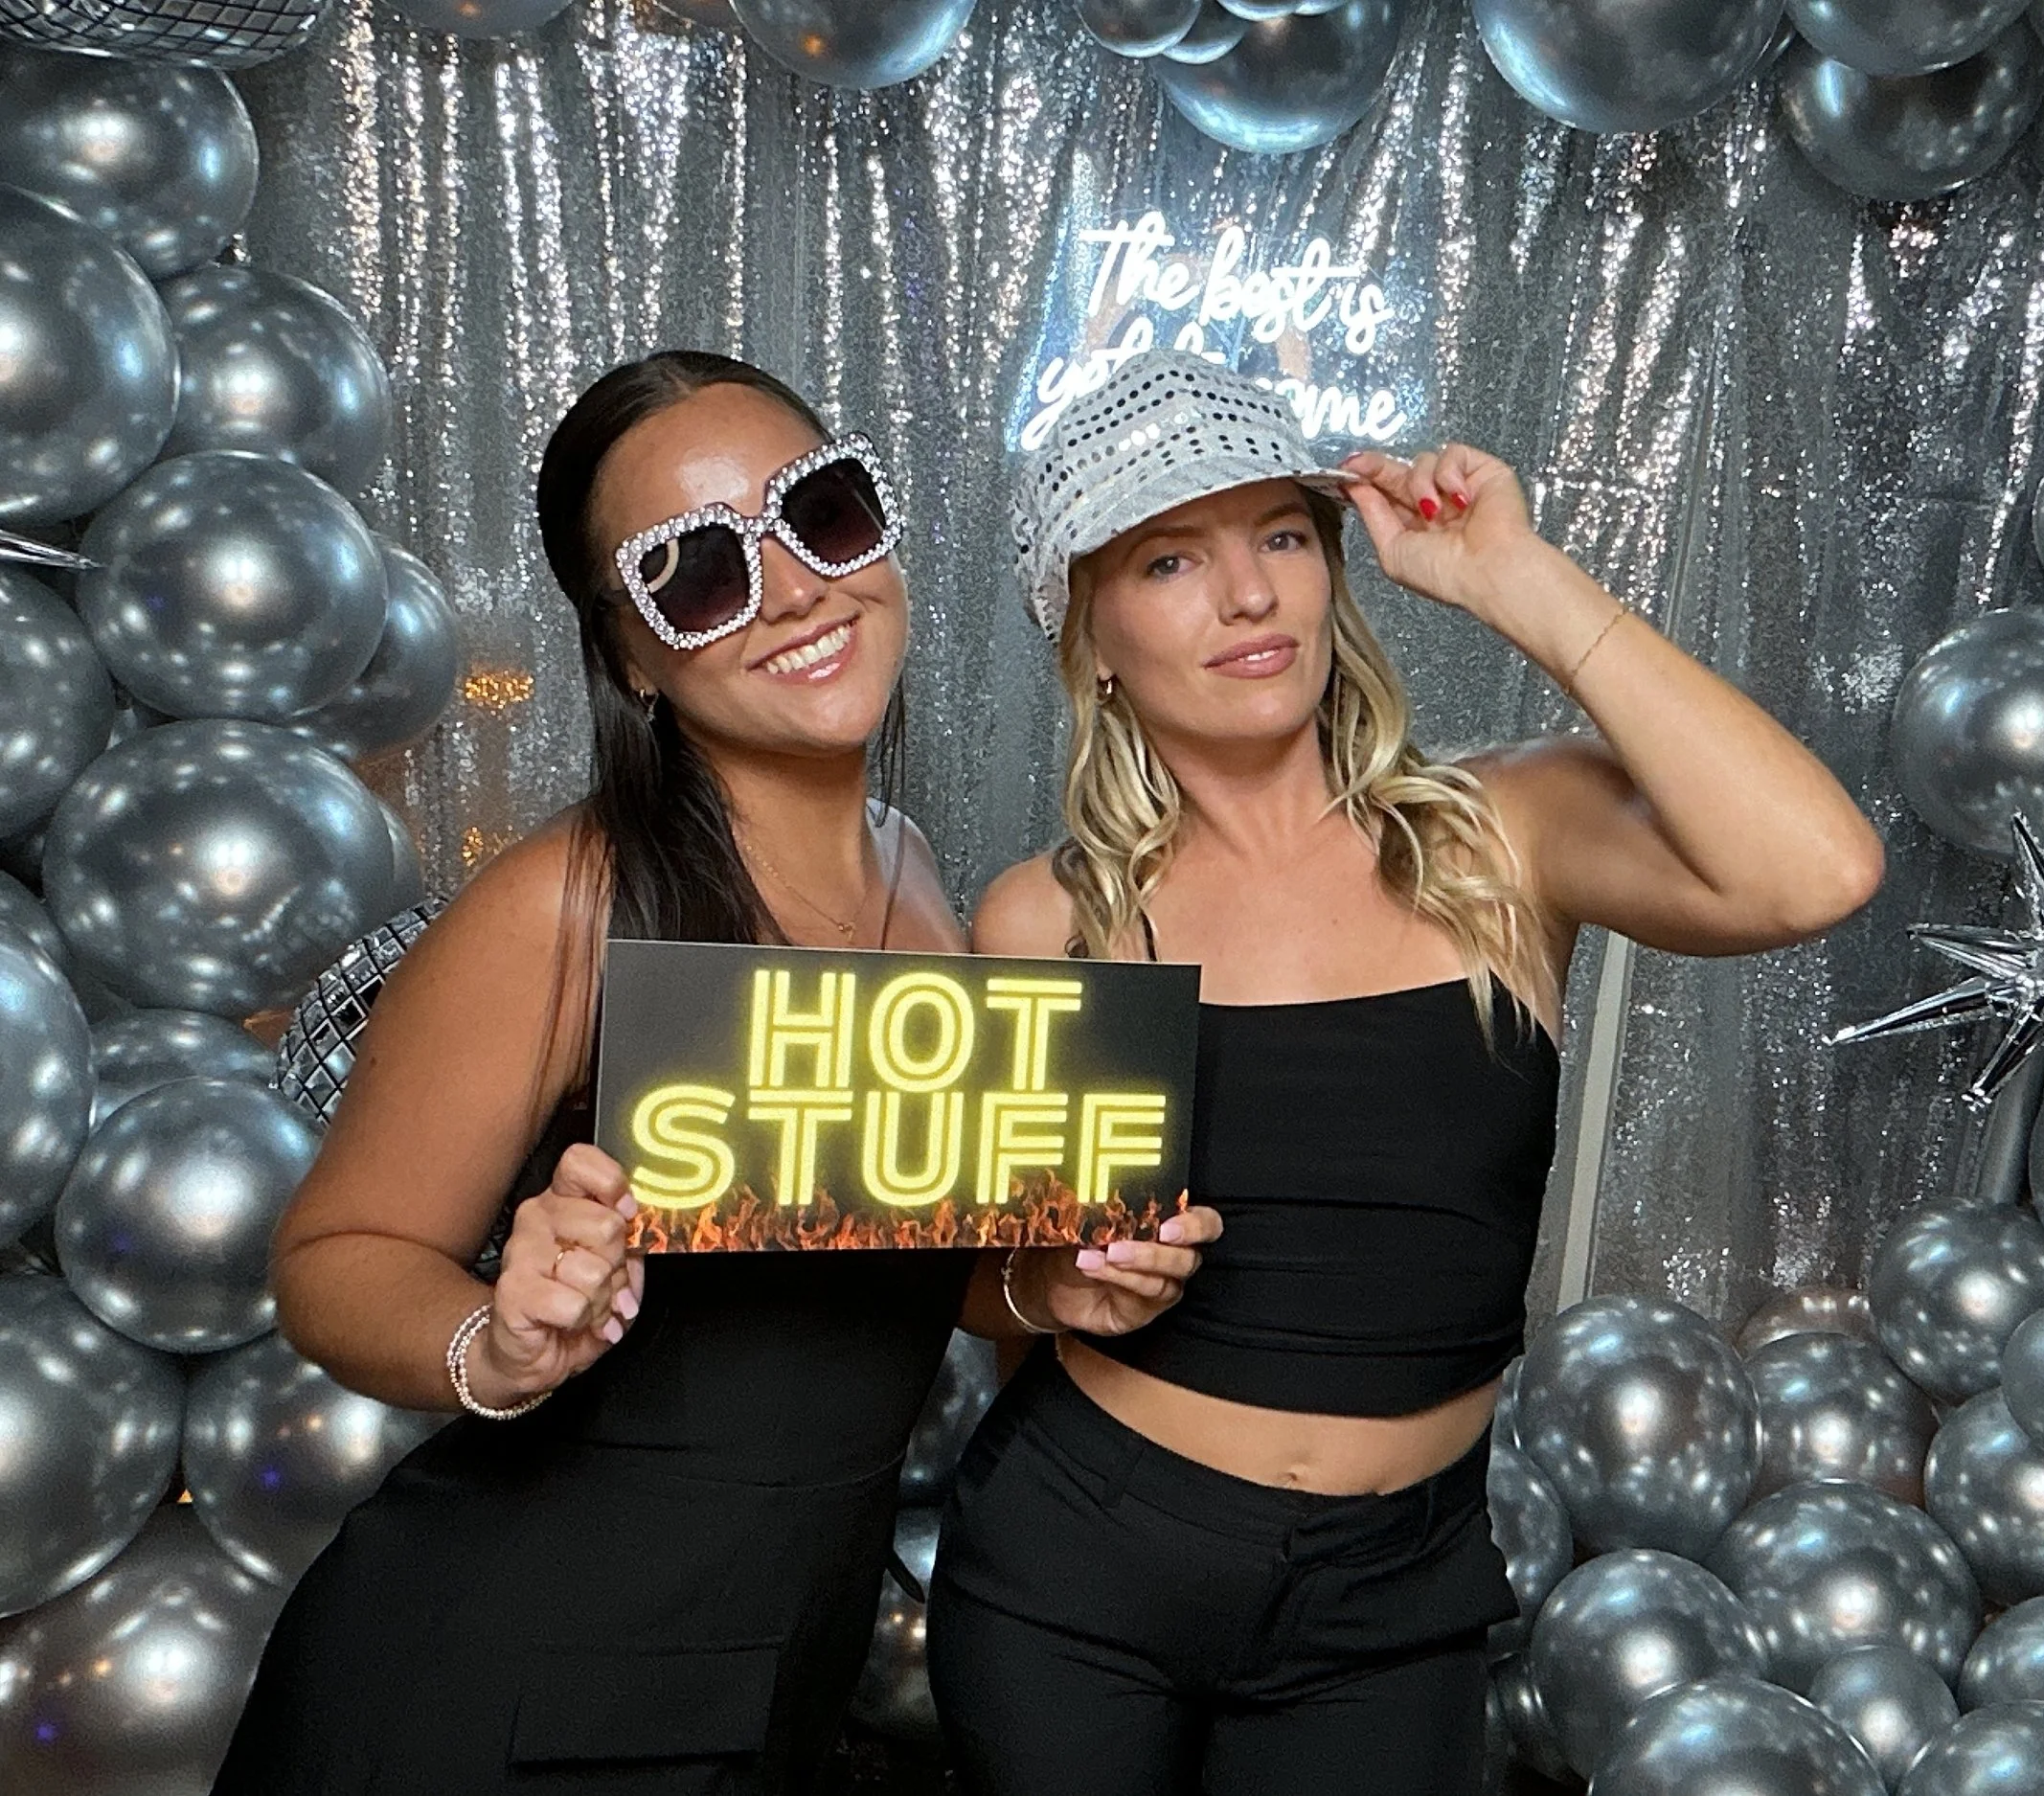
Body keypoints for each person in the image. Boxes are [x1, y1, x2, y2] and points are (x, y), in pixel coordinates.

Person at [213, 350, 1215, 1796]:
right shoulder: (569, 901)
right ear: (630, 652)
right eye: (696, 572)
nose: (797, 587)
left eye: (824, 511)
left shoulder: (925, 886)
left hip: (769, 1672)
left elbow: (888, 1258)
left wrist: (1050, 1285)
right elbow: (333, 1254)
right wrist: (488, 1345)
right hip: (495, 1686)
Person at [926, 349, 1885, 1795]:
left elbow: (1818, 871)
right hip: (1081, 1564)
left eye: (1283, 536)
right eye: (1173, 558)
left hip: (1398, 1591)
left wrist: (1518, 581)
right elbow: (983, 1283)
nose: (1249, 594)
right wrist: (1056, 1285)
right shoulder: (1049, 918)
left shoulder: (1496, 835)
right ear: (1093, 633)